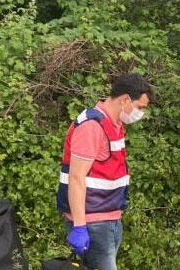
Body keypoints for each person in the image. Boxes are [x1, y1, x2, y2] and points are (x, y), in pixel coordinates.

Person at [56, 73, 153, 270]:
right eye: (140, 107)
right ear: (125, 99)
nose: (141, 113)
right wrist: (80, 227)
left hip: (109, 218)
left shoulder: (113, 124)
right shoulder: (92, 127)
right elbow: (76, 178)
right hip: (93, 223)